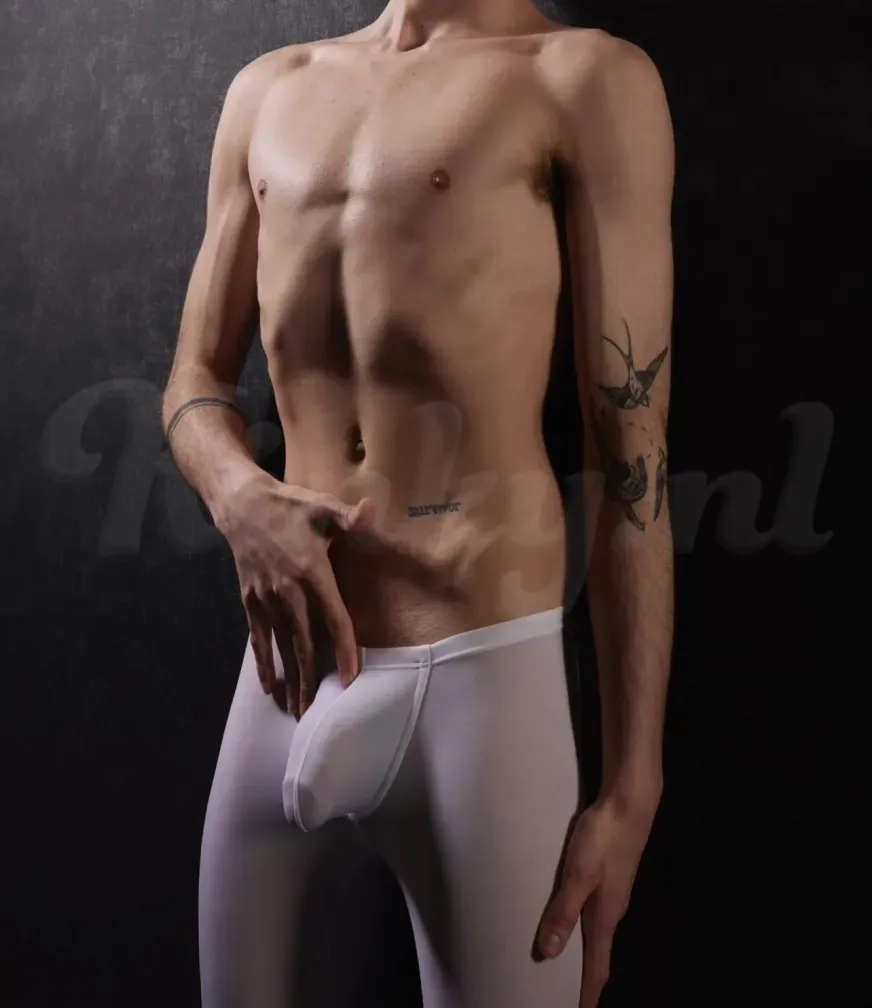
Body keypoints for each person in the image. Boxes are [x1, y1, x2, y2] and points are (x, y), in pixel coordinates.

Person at [161, 0, 675, 1005]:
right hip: (284, 677)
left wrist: (631, 785)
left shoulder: (581, 79)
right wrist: (236, 494)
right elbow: (194, 377)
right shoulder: (270, 89)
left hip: (479, 681)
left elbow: (632, 446)